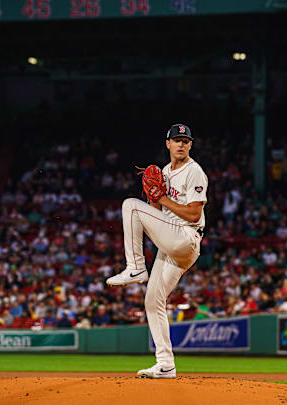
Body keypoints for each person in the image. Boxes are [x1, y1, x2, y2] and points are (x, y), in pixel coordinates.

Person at [106, 124, 207, 379]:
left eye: (185, 141)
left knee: (130, 205)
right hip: (171, 243)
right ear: (168, 144)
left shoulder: (194, 171)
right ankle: (165, 364)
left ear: (190, 145)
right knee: (153, 301)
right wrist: (153, 198)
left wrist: (160, 200)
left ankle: (136, 267)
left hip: (186, 236)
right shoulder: (163, 171)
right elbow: (159, 213)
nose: (181, 144)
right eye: (177, 140)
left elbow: (195, 213)